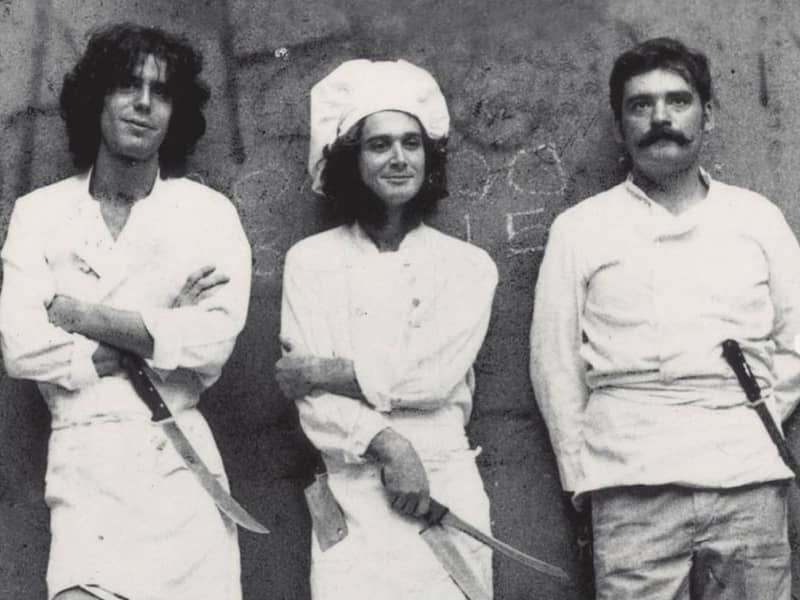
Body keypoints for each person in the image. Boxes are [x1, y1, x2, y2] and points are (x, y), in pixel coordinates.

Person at [530, 37, 800, 600]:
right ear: (619, 125)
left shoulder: (757, 219)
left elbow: (795, 341)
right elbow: (555, 368)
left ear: (708, 115)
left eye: (678, 100)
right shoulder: (580, 229)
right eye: (640, 105)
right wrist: (586, 479)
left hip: (747, 485)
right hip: (631, 489)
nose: (660, 118)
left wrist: (745, 421)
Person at [0, 23, 251, 600]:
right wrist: (159, 330)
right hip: (84, 464)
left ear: (176, 112)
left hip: (179, 467)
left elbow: (212, 341)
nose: (143, 103)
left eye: (160, 92)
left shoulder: (207, 214)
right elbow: (20, 347)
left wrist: (74, 314)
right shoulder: (41, 213)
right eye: (126, 86)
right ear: (95, 99)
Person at [275, 59, 498, 599]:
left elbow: (433, 378)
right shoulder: (309, 261)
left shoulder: (468, 267)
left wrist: (323, 371)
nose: (399, 158)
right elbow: (311, 403)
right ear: (352, 160)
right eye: (379, 145)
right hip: (351, 487)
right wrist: (387, 443)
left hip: (443, 485)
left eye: (411, 143)